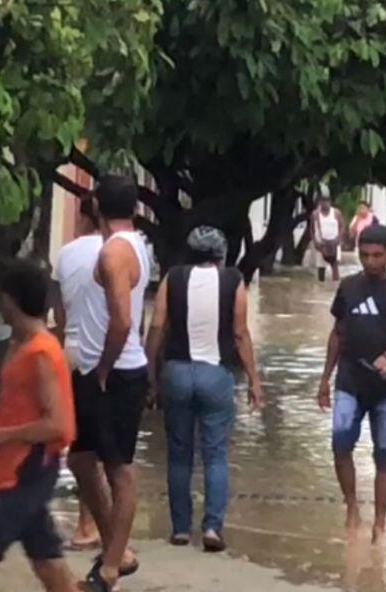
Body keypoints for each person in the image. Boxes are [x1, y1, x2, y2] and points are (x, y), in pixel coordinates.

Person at [0, 258, 77, 592]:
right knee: (48, 563)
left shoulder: (42, 352)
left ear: (10, 299)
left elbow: (57, 424)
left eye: (0, 297)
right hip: (25, 464)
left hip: (30, 467)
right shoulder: (24, 347)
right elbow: (18, 410)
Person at [145, 226, 264, 553]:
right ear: (221, 255)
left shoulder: (173, 278)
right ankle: (212, 528)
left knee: (179, 454)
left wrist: (150, 374)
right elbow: (240, 333)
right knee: (215, 455)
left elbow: (157, 327)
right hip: (216, 374)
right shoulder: (233, 280)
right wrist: (254, 379)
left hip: (177, 372)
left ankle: (181, 529)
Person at [68, 174, 152, 591]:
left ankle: (109, 569)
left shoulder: (115, 253)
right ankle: (116, 551)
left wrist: (103, 366)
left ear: (97, 205)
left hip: (114, 371)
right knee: (81, 459)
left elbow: (121, 320)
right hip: (103, 369)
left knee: (118, 469)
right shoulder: (133, 245)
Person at [317, 224, 386, 545]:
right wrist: (324, 379)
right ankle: (351, 506)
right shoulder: (348, 287)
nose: (370, 262)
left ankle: (380, 522)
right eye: (364, 255)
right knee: (340, 445)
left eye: (377, 255)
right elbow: (337, 333)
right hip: (349, 380)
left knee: (385, 455)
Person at [49, 196, 103, 550]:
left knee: (79, 443)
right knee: (103, 449)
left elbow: (59, 311)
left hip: (74, 353)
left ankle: (88, 524)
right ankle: (98, 523)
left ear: (82, 217)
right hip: (114, 357)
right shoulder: (123, 250)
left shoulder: (66, 255)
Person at [313, 195, 344, 282]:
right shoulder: (315, 214)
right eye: (323, 201)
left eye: (327, 201)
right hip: (321, 244)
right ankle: (320, 287)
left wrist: (339, 239)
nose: (325, 203)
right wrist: (315, 242)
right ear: (319, 202)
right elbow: (311, 229)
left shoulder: (336, 213)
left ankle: (335, 286)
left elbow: (342, 226)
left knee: (335, 265)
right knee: (321, 267)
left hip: (334, 243)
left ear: (330, 202)